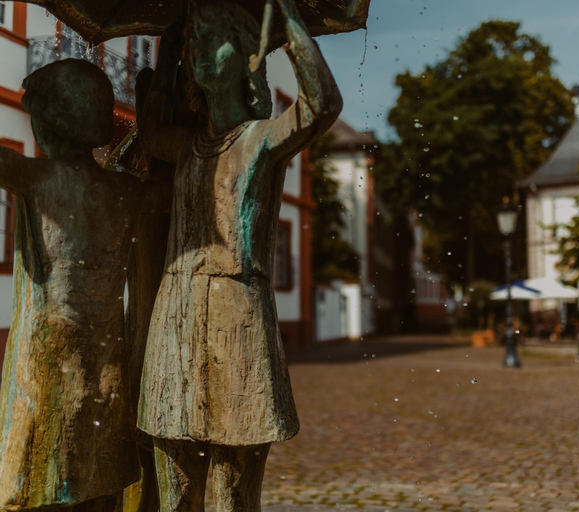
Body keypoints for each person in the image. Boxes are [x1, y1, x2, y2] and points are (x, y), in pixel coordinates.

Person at [137, 1, 343, 510]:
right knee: (175, 492)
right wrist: (168, 47)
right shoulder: (186, 147)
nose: (199, 53)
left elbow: (322, 106)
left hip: (239, 317)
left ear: (251, 59)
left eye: (213, 41)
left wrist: (290, 20)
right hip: (176, 315)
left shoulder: (262, 139)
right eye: (195, 45)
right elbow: (147, 133)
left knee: (234, 491)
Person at [0, 60, 147, 510]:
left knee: (44, 479)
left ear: (51, 127)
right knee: (100, 478)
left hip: (47, 360)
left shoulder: (37, 178)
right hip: (105, 359)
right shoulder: (127, 191)